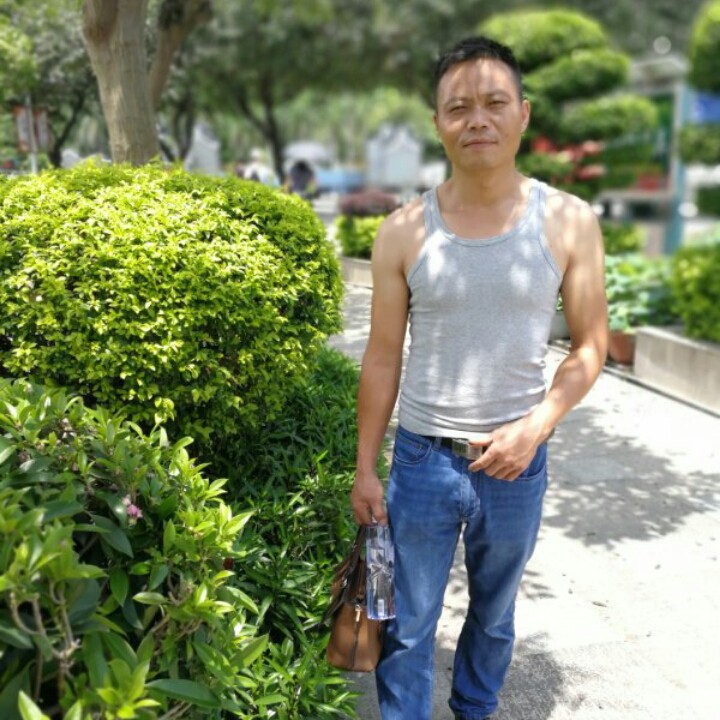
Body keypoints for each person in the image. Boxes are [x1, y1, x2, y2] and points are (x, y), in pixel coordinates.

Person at [350, 36, 608, 720]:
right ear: (438, 123)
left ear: (523, 114)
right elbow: (382, 356)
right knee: (407, 624)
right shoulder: (403, 231)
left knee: (494, 619)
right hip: (421, 463)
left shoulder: (569, 222)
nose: (477, 120)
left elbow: (592, 346)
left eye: (494, 102)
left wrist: (537, 427)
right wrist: (366, 468)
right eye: (458, 107)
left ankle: (475, 710)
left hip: (516, 465)